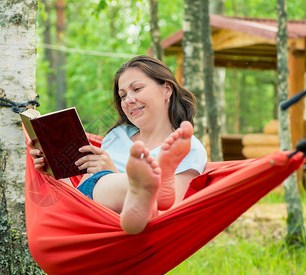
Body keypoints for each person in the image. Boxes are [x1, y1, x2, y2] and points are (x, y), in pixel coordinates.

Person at [29, 55, 207, 234]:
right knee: (124, 189)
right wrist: (52, 170)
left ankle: (140, 195)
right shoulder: (117, 135)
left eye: (137, 88)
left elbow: (172, 210)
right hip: (89, 215)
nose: (128, 100)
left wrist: (112, 171)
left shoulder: (186, 146)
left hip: (143, 223)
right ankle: (141, 188)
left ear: (167, 90)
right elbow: (78, 198)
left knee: (150, 206)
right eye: (123, 96)